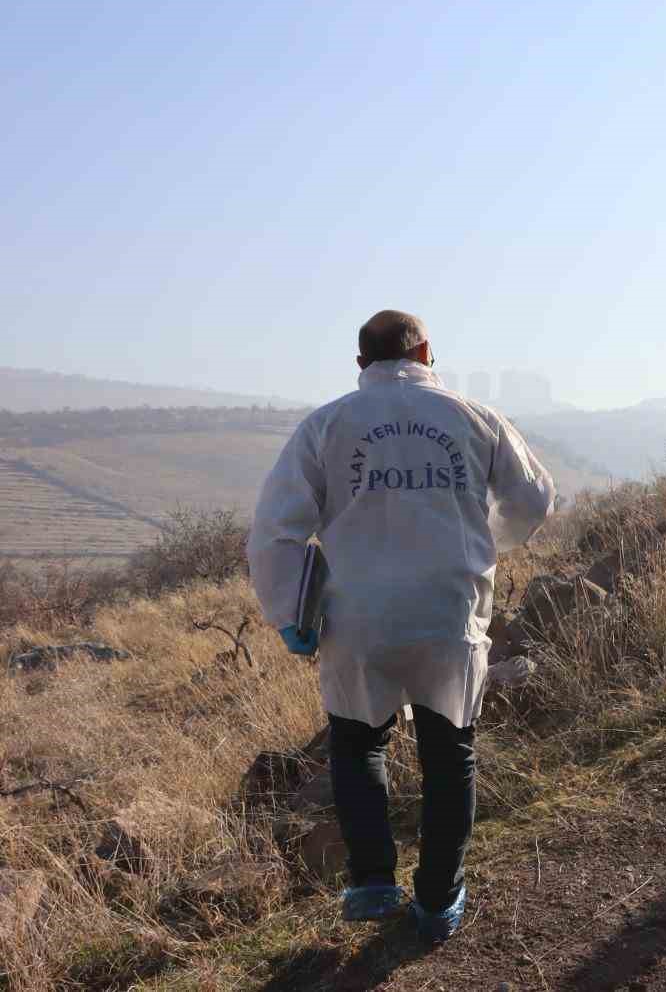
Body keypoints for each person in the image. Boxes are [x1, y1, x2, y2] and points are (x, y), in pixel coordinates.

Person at [246, 311, 555, 944]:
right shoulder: (477, 418)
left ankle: (372, 882)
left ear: (361, 365)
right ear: (427, 351)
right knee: (450, 753)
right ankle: (438, 900)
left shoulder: (326, 426)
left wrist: (287, 612)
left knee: (359, 742)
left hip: (359, 617)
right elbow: (533, 497)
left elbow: (274, 529)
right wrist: (486, 545)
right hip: (449, 611)